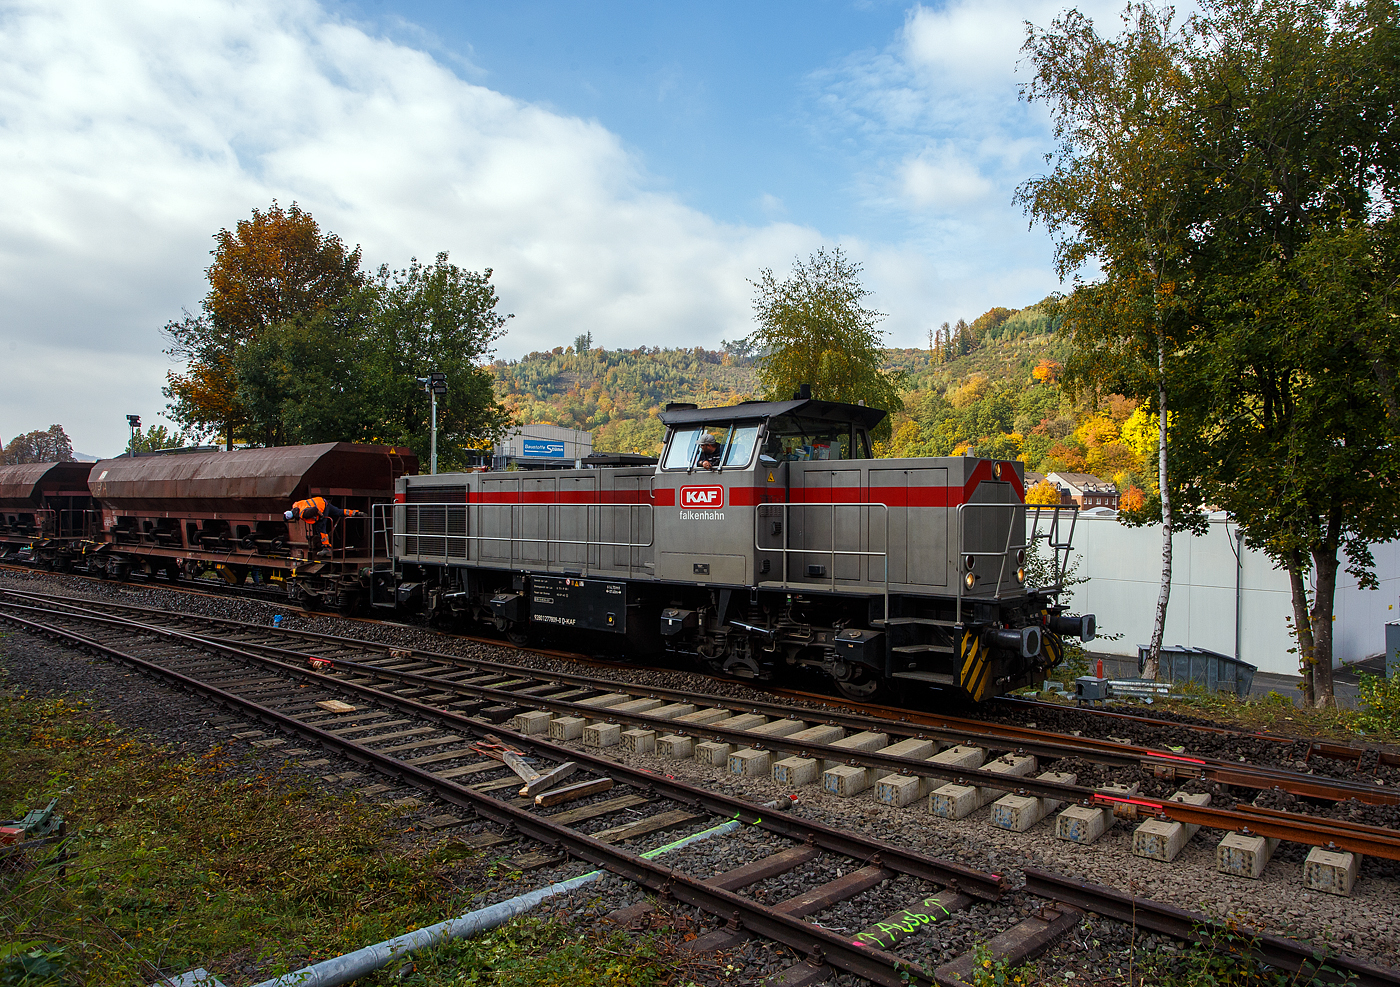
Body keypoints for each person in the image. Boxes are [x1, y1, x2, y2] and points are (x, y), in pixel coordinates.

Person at [285, 497, 363, 559]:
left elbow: (314, 510)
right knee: (338, 511)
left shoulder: (304, 514)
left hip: (322, 507)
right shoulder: (296, 505)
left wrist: (321, 515)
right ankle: (355, 513)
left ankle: (327, 548)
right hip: (323, 502)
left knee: (320, 528)